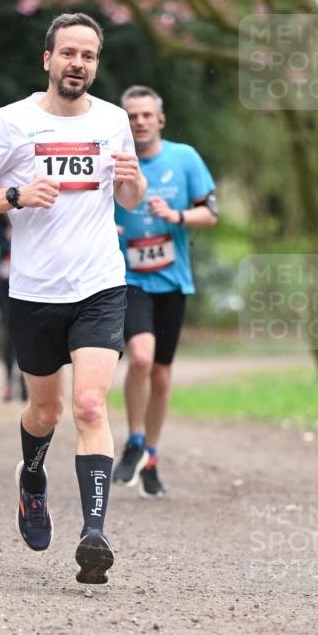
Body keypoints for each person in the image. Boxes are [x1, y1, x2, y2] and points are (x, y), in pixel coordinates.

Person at [0, 13, 146, 584]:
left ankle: (94, 534)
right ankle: (32, 480)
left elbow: (130, 198)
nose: (77, 64)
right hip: (34, 292)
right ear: (48, 59)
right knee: (46, 411)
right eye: (68, 53)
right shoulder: (11, 122)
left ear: (95, 65)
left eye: (88, 55)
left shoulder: (112, 120)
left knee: (90, 405)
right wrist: (14, 195)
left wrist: (132, 179)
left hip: (100, 285)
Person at [113, 85, 218, 499]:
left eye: (146, 115)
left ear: (160, 119)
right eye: (132, 116)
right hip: (129, 278)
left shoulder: (184, 157)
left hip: (173, 280)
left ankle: (151, 457)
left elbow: (210, 213)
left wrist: (176, 215)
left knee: (161, 371)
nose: (139, 122)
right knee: (141, 357)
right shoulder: (114, 159)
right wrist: (106, 226)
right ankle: (134, 440)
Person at [0, 217, 28, 403]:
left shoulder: (29, 224)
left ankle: (24, 381)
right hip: (4, 291)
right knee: (8, 337)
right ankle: (8, 381)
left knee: (27, 337)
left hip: (28, 289)